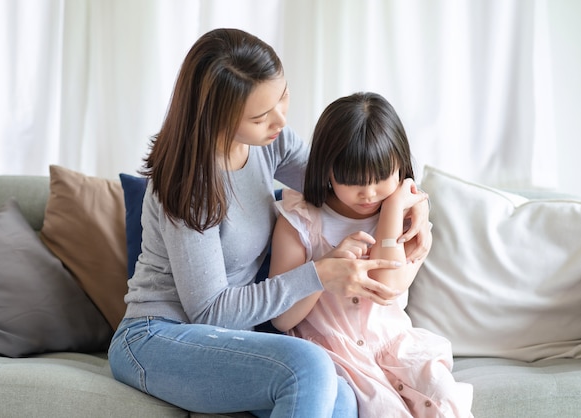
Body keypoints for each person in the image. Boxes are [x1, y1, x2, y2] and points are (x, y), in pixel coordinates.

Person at [108, 28, 432, 417]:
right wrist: (317, 274)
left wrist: (412, 203)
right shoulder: (188, 185)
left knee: (343, 397)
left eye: (282, 97)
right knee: (310, 366)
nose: (280, 119)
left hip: (229, 338)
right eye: (261, 116)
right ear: (218, 118)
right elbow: (210, 312)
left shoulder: (270, 143)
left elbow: (350, 182)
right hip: (156, 338)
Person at [269, 92, 474, 417]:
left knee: (443, 397)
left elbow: (385, 286)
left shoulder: (406, 218)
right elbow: (281, 318)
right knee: (383, 409)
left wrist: (393, 209)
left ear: (400, 166)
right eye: (352, 181)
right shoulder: (300, 220)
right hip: (330, 351)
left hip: (394, 346)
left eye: (381, 179)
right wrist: (324, 271)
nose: (369, 193)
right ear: (327, 169)